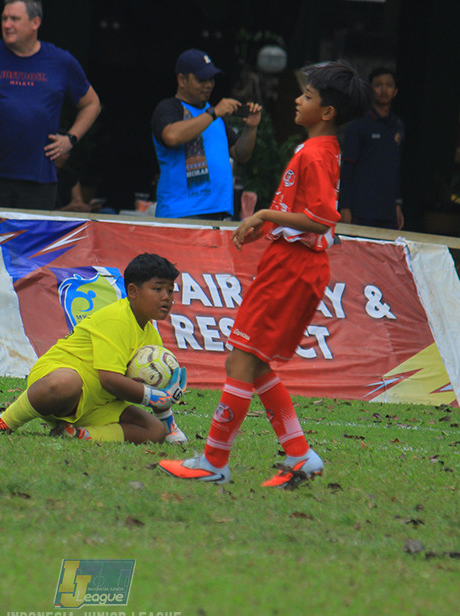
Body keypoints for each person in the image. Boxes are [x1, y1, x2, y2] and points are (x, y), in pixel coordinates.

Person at [159, 61, 371, 487]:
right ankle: (299, 455)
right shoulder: (319, 149)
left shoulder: (316, 153)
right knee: (251, 362)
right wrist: (266, 227)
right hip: (290, 263)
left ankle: (214, 461)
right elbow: (305, 213)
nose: (297, 100)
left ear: (327, 112)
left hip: (294, 267)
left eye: (307, 96)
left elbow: (320, 220)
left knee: (241, 360)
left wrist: (266, 214)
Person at [0, 253, 189, 445]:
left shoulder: (153, 338)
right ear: (133, 291)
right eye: (158, 289)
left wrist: (168, 420)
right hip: (57, 384)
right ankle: (5, 420)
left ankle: (79, 434)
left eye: (170, 291)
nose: (166, 297)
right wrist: (153, 396)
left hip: (97, 404)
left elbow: (155, 390)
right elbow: (109, 379)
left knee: (154, 430)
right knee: (65, 383)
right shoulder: (116, 319)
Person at [0, 0, 101, 210]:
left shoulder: (61, 61)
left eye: (14, 19)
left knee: (33, 233)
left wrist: (70, 139)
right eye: (4, 18)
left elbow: (92, 104)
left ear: (35, 22)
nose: (7, 25)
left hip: (39, 179)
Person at [151, 48, 262, 220]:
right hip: (182, 213)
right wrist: (213, 113)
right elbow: (171, 136)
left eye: (211, 79)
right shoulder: (169, 108)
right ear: (182, 80)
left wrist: (251, 128)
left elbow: (240, 154)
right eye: (201, 79)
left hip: (217, 211)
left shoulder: (214, 116)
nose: (209, 85)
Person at [340, 67, 405, 229]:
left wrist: (397, 204)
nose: (384, 90)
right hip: (361, 209)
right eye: (378, 85)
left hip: (388, 210)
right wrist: (345, 206)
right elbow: (347, 169)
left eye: (389, 85)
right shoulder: (358, 126)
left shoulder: (397, 126)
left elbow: (396, 168)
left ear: (395, 91)